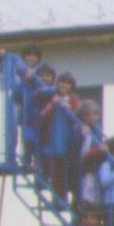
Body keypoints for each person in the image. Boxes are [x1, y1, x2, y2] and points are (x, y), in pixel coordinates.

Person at [41, 71, 81, 200]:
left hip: (67, 140)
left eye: (68, 83)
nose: (64, 85)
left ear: (72, 86)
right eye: (62, 82)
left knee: (65, 171)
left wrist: (67, 106)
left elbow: (77, 116)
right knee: (55, 171)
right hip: (53, 139)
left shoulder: (74, 100)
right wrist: (53, 104)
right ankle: (56, 199)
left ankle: (63, 198)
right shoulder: (52, 98)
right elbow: (43, 115)